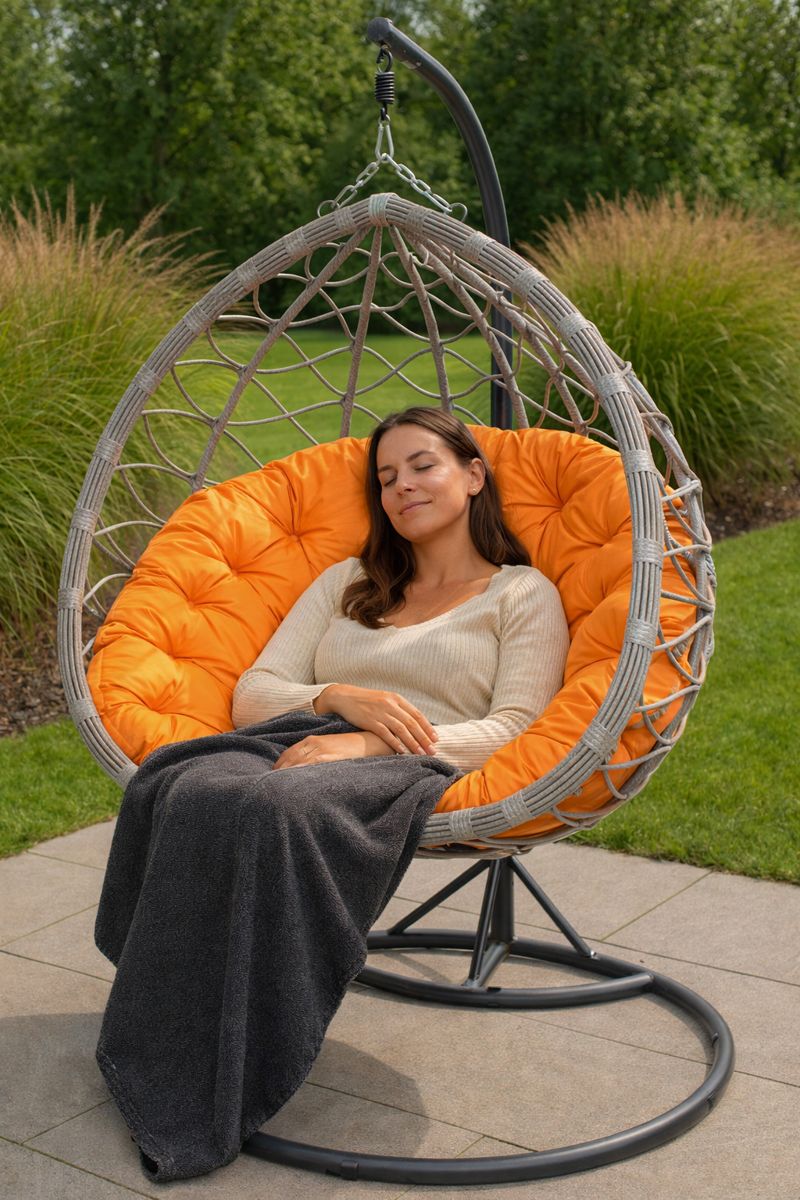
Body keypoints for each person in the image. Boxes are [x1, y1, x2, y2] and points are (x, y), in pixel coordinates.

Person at [232, 405, 570, 771]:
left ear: (474, 476)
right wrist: (337, 697)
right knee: (197, 780)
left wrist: (373, 744)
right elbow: (251, 698)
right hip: (289, 755)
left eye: (423, 467)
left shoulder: (521, 593)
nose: (403, 485)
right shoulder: (347, 580)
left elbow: (518, 731)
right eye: (387, 479)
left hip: (409, 776)